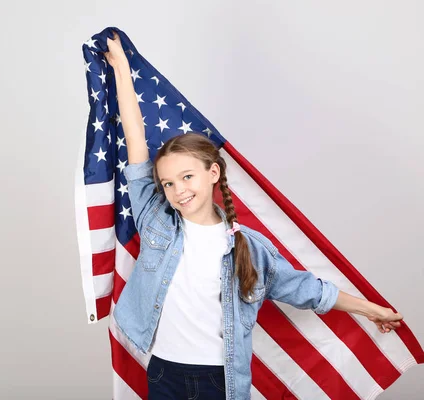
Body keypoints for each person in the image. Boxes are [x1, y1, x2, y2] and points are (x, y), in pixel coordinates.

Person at [102, 32, 403, 400]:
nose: (178, 190)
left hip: (219, 380)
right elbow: (135, 141)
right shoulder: (156, 221)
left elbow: (310, 291)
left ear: (213, 173)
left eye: (187, 177)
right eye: (167, 183)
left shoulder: (250, 249)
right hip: (163, 370)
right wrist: (121, 69)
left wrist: (370, 309)